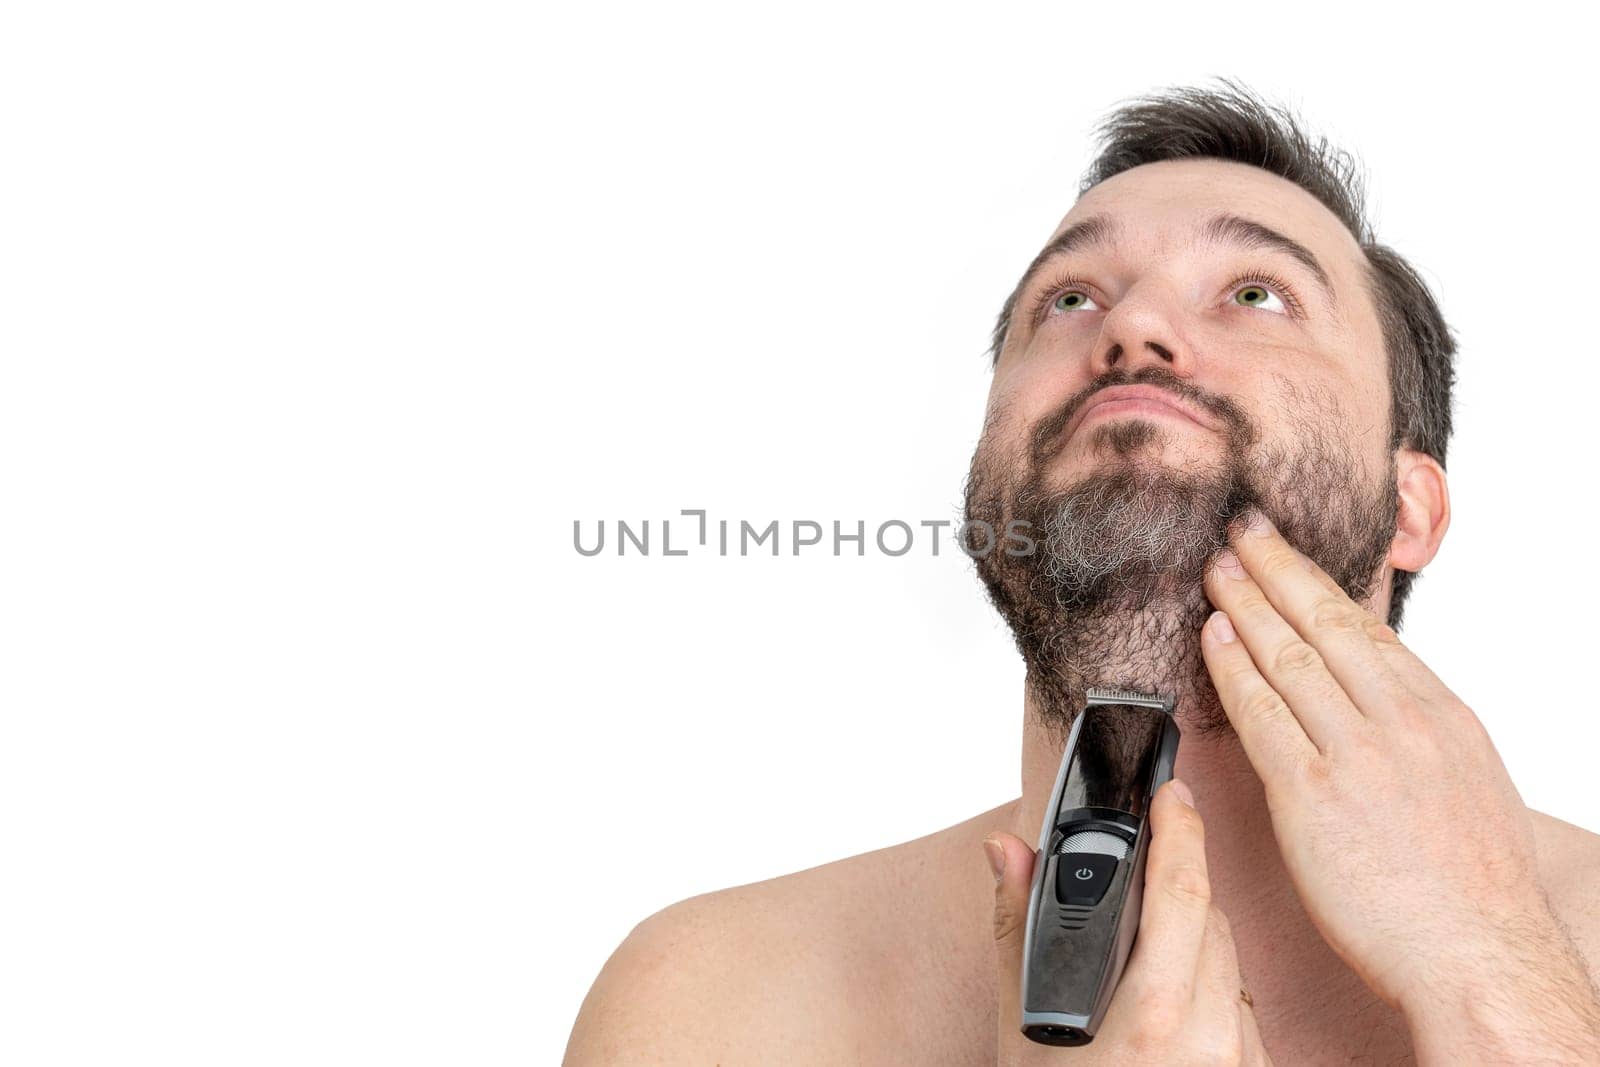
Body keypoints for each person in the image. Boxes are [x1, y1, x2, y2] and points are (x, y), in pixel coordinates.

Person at [563, 80, 1600, 1064]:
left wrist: (1495, 974)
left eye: (1253, 291)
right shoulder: (718, 999)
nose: (1132, 327)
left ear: (1409, 509)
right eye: (1069, 298)